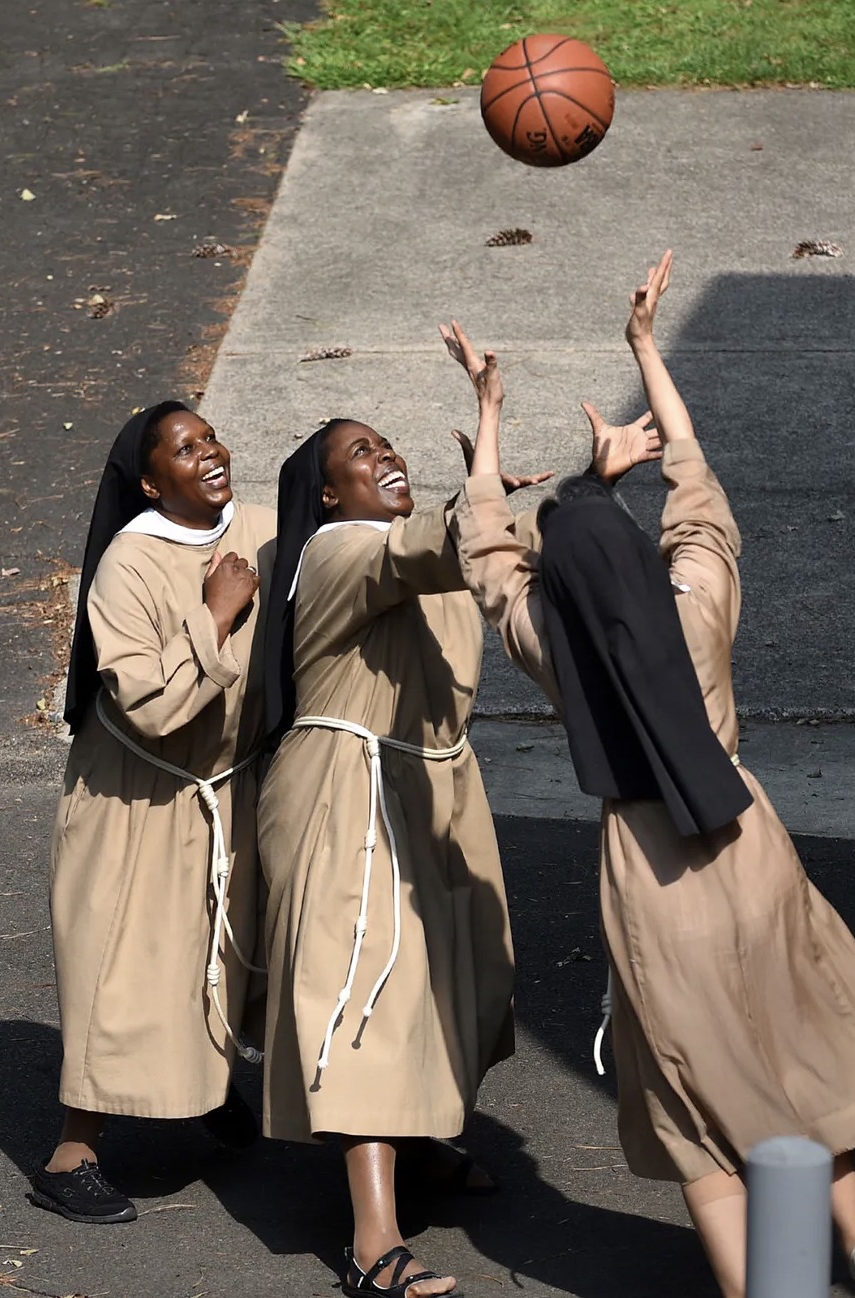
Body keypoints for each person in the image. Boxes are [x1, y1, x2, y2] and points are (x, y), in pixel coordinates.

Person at [442, 253, 855, 1298]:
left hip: (647, 872)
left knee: (699, 1092)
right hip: (746, 839)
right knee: (792, 1037)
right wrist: (644, 348)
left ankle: (764, 1287)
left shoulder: (549, 650)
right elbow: (693, 477)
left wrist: (489, 415)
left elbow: (489, 551)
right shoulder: (695, 603)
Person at [258, 409, 548, 1298]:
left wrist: (578, 486)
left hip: (425, 787)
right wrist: (486, 452)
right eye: (360, 454)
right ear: (328, 492)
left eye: (386, 444)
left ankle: (418, 1150)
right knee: (368, 995)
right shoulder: (336, 551)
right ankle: (372, 1241)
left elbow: (486, 547)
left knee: (444, 979)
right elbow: (434, 545)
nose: (385, 457)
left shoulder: (411, 550)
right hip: (350, 790)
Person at [30, 403, 276, 1225]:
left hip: (222, 788)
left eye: (210, 438)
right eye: (184, 448)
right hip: (134, 800)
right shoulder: (127, 566)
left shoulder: (265, 526)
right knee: (123, 969)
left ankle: (199, 1090)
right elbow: (150, 706)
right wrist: (216, 613)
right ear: (147, 481)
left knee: (214, 952)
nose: (209, 452)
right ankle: (73, 1152)